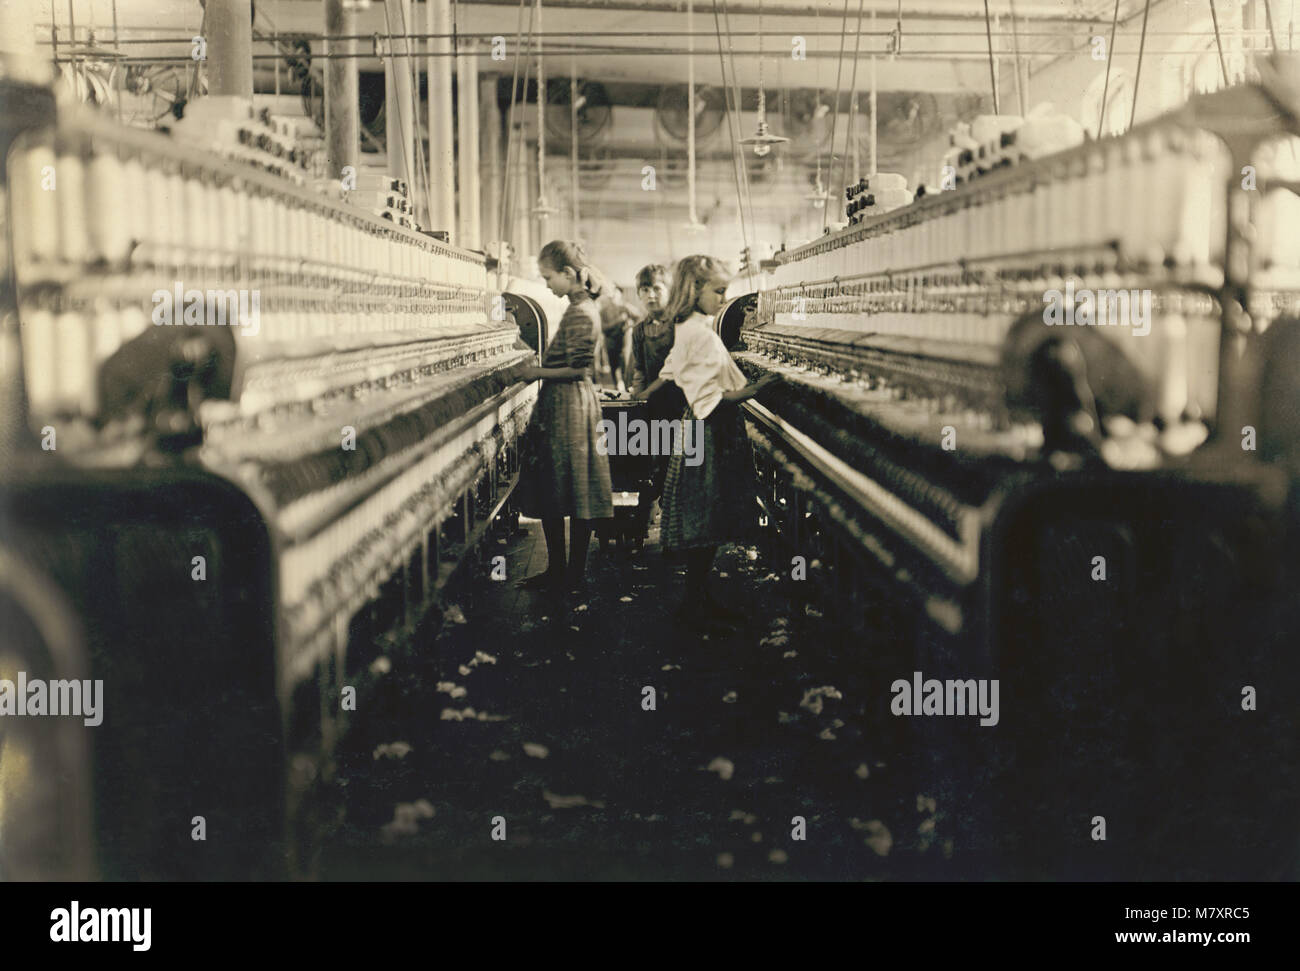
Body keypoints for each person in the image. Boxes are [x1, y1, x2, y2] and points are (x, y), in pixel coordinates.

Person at [634, 255, 780, 632]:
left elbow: (671, 370)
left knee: (705, 521)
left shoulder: (690, 326)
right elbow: (709, 401)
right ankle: (694, 602)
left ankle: (697, 597)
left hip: (700, 431)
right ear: (694, 290)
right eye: (717, 290)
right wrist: (757, 389)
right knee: (706, 518)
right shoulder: (698, 333)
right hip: (709, 433)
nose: (723, 297)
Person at [508, 240, 614, 595]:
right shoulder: (578, 307)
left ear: (568, 274)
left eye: (549, 277)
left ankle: (569, 574)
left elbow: (578, 368)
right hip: (564, 405)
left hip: (570, 406)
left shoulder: (582, 312)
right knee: (562, 487)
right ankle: (562, 571)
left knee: (570, 487)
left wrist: (535, 373)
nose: (547, 285)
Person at [627, 263, 682, 553]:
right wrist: (636, 398)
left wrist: (645, 393)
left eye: (657, 288)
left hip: (682, 407)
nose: (651, 295)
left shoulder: (679, 326)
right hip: (652, 409)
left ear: (669, 292)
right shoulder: (638, 331)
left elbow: (675, 370)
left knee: (680, 469)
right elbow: (639, 368)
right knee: (651, 469)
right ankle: (641, 529)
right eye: (644, 290)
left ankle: (676, 536)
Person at [597, 286, 634, 391]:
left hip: (623, 342)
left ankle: (627, 387)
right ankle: (617, 387)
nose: (614, 296)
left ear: (620, 295)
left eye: (617, 293)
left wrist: (630, 325)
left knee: (625, 365)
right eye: (612, 293)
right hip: (610, 342)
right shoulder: (603, 311)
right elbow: (603, 328)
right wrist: (618, 321)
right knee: (614, 366)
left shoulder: (625, 307)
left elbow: (640, 317)